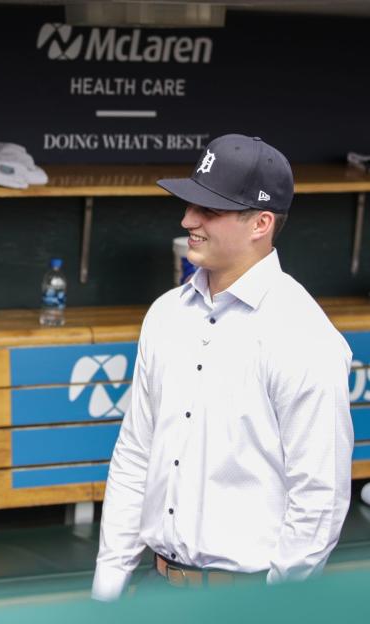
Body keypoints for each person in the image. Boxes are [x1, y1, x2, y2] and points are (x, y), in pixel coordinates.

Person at [92, 134, 354, 600]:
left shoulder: (303, 334)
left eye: (209, 210)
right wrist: (108, 587)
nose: (188, 219)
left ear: (261, 223)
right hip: (157, 588)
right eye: (192, 204)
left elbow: (319, 497)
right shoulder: (166, 313)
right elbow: (135, 454)